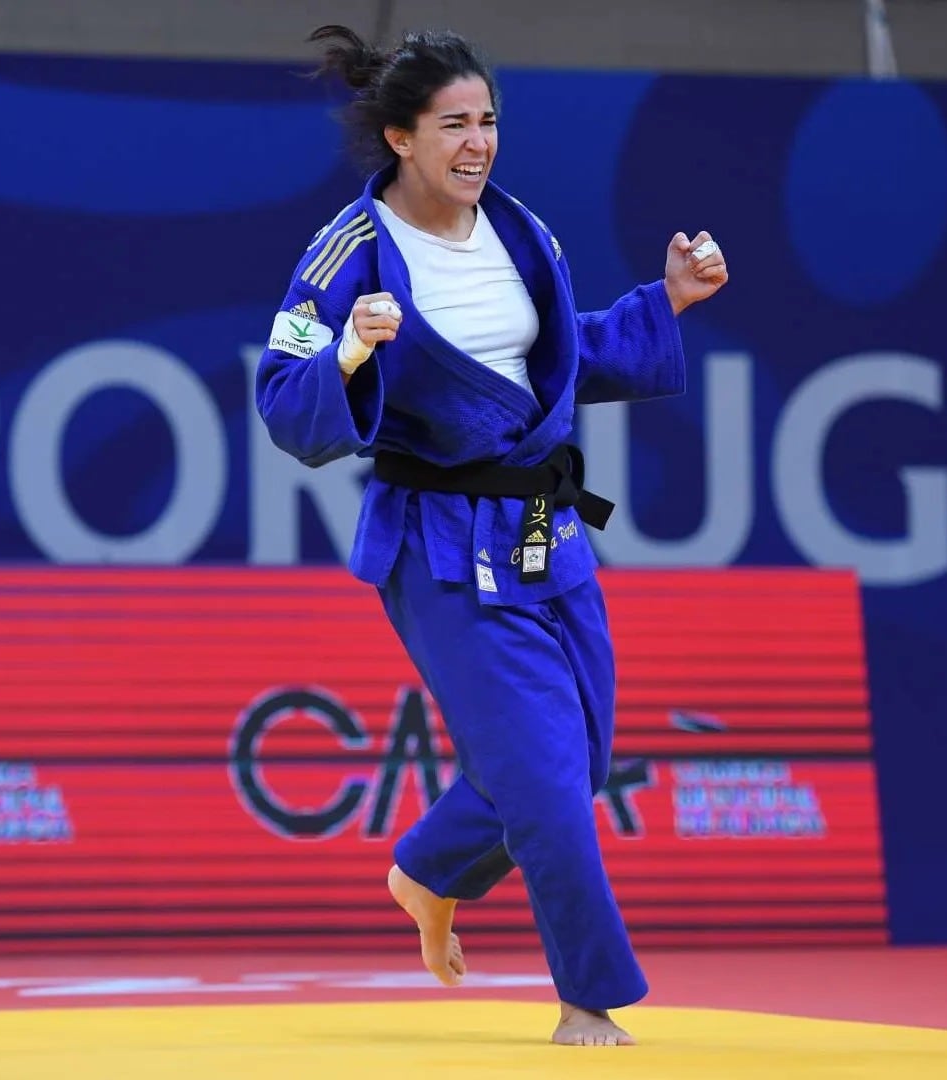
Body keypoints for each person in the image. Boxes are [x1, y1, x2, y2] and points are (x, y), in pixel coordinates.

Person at [255, 23, 729, 1047]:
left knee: (578, 757)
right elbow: (283, 397)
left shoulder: (522, 233)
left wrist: (667, 304)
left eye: (488, 122)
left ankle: (428, 868)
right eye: (453, 126)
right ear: (400, 138)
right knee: (551, 791)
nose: (477, 144)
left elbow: (553, 367)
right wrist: (347, 351)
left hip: (544, 530)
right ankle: (587, 999)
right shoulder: (347, 253)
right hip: (438, 548)